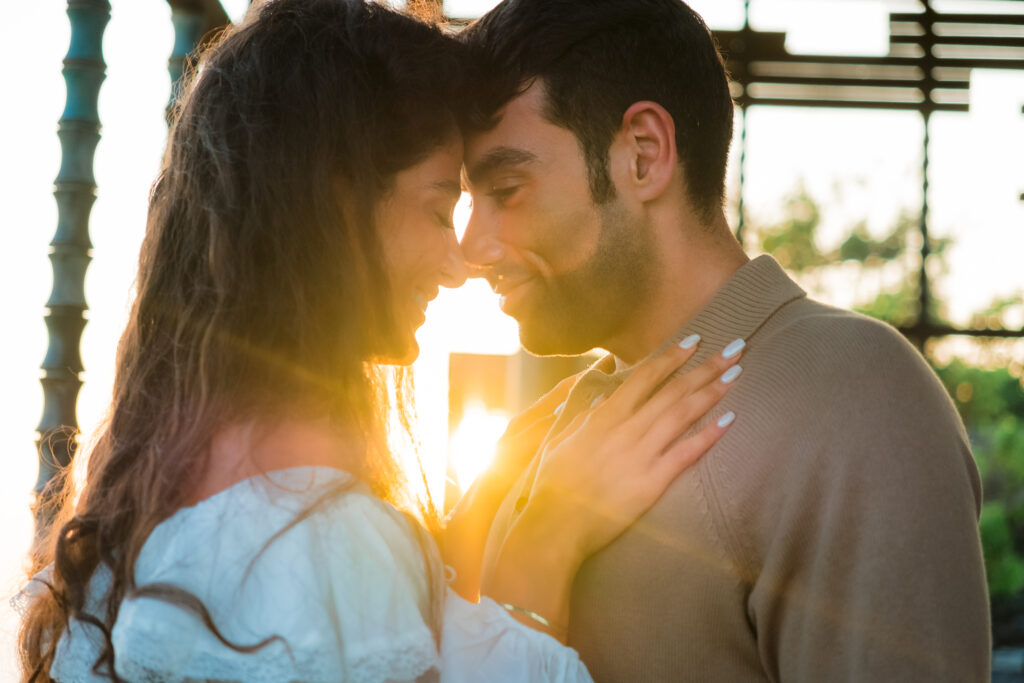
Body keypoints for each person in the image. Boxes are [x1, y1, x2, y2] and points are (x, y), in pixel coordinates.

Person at [14, 2, 743, 682]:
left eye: (503, 193)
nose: (461, 258)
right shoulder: (319, 546)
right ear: (337, 204)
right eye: (438, 208)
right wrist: (540, 552)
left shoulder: (138, 514)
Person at [450, 0, 992, 681]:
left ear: (643, 155)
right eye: (468, 198)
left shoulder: (849, 397)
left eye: (506, 187)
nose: (471, 246)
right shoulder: (533, 442)